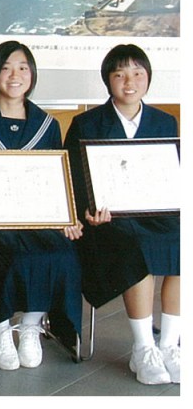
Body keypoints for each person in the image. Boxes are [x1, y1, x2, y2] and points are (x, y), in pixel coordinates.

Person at [0, 41, 84, 372]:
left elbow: (55, 179)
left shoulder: (47, 125)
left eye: (23, 67)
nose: (15, 74)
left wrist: (66, 217)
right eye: (6, 67)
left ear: (32, 74)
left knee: (61, 253)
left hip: (34, 221)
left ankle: (32, 326)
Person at [64, 44, 180, 385]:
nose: (129, 82)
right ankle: (143, 348)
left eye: (137, 74)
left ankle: (170, 345)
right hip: (107, 222)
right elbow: (72, 178)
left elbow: (172, 174)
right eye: (120, 74)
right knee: (137, 248)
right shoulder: (86, 123)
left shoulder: (164, 121)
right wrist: (87, 210)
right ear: (107, 80)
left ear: (147, 78)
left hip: (155, 213)